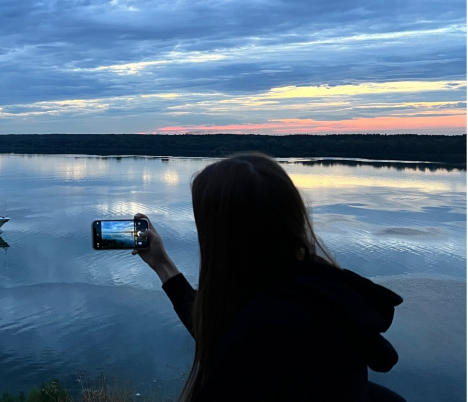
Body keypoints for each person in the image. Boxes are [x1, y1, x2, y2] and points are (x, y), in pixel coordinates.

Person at [133, 153, 405, 402]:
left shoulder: (268, 333)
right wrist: (162, 264)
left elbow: (236, 340)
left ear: (226, 237)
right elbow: (221, 330)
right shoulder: (317, 289)